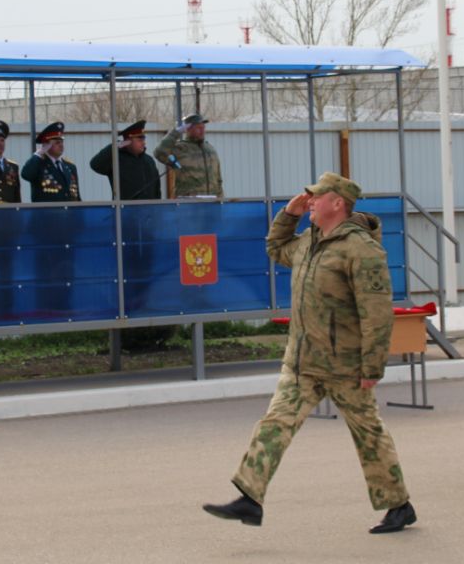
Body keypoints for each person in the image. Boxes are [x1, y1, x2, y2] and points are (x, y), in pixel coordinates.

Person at [203, 172, 416, 534]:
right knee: (275, 423)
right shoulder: (309, 241)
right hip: (303, 362)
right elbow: (275, 248)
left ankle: (399, 505)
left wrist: (372, 367)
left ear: (338, 203)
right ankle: (249, 497)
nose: (310, 201)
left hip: (345, 365)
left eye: (317, 197)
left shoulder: (361, 249)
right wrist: (289, 215)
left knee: (368, 434)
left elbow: (377, 313)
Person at [154, 113, 223, 198]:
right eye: (198, 128)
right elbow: (159, 152)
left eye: (203, 127)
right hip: (188, 201)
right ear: (188, 129)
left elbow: (218, 180)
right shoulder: (180, 149)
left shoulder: (210, 149)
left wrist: (221, 200)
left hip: (211, 201)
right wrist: (176, 132)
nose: (202, 131)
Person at [89, 120, 161, 200]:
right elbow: (95, 165)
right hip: (124, 207)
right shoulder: (116, 159)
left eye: (143, 139)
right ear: (128, 141)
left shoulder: (149, 161)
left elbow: (157, 189)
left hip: (149, 207)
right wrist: (117, 145)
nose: (144, 143)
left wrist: (157, 206)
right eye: (139, 140)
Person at [21, 122, 81, 202]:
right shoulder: (39, 164)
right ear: (46, 145)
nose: (61, 145)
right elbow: (26, 174)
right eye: (57, 143)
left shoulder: (70, 167)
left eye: (61, 142)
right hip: (47, 209)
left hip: (69, 209)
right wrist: (39, 153)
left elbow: (77, 197)